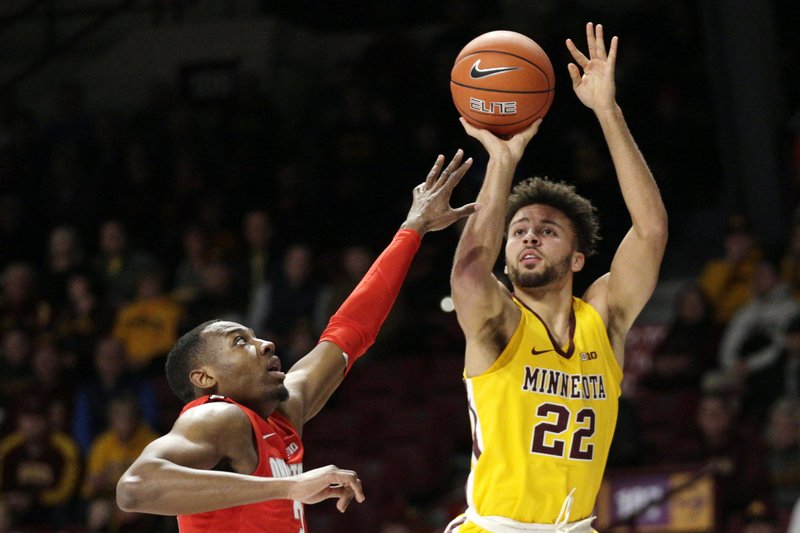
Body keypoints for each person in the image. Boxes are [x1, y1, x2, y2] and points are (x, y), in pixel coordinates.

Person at [116, 153, 477, 532]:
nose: (267, 344)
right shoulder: (216, 416)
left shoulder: (281, 417)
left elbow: (350, 330)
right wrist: (291, 486)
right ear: (205, 378)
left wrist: (413, 228)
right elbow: (136, 488)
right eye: (240, 342)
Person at [446, 23, 668, 532]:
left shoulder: (605, 319)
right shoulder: (498, 323)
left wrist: (607, 112)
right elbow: (467, 271)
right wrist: (502, 160)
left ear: (576, 259)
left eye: (547, 232)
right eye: (518, 230)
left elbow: (651, 229)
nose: (528, 238)